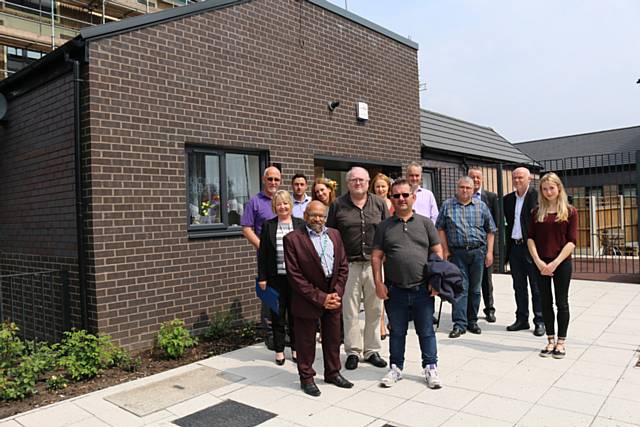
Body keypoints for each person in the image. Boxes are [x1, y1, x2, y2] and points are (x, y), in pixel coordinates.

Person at [372, 178, 444, 389]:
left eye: (405, 195)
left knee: (426, 331)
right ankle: (396, 368)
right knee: (397, 331)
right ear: (391, 199)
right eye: (397, 196)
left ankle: (430, 367)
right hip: (395, 289)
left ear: (413, 197)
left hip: (422, 287)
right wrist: (378, 282)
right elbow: (376, 256)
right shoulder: (384, 226)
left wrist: (436, 280)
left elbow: (437, 251)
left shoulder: (425, 223)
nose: (401, 199)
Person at [284, 201, 353, 396]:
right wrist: (321, 297)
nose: (318, 219)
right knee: (305, 342)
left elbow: (343, 266)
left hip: (333, 294)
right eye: (313, 215)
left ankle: (333, 373)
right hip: (307, 297)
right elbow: (294, 276)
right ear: (305, 215)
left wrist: (337, 292)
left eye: (322, 215)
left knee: (332, 339)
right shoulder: (293, 239)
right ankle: (306, 377)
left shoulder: (335, 234)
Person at [327, 166, 389, 370]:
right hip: (349, 265)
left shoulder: (379, 204)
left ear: (368, 181)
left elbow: (388, 232)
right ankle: (353, 351)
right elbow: (331, 235)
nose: (358, 183)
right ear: (348, 183)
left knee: (374, 308)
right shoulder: (338, 205)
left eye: (361, 180)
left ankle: (372, 349)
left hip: (375, 265)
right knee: (350, 310)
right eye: (354, 180)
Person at [436, 176, 496, 338]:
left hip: (478, 252)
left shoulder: (481, 206)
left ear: (473, 189)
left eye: (468, 188)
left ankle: (472, 321)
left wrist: (489, 252)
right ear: (457, 188)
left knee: (475, 289)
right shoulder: (448, 205)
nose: (465, 190)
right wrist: (445, 249)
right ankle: (459, 324)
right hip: (457, 253)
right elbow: (440, 228)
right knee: (460, 288)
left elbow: (491, 230)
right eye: (462, 187)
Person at [527, 173, 577, 359]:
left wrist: (555, 263)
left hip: (561, 263)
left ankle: (561, 342)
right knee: (545, 302)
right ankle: (549, 340)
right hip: (540, 264)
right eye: (545, 189)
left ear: (559, 188)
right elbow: (530, 238)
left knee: (561, 303)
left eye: (551, 188)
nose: (548, 192)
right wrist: (539, 262)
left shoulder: (570, 212)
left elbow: (572, 241)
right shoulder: (536, 212)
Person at [258, 190, 304, 365]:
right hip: (275, 277)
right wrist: (262, 277)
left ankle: (295, 348)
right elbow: (262, 254)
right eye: (279, 204)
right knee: (277, 315)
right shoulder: (268, 225)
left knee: (295, 315)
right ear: (274, 207)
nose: (282, 207)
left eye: (285, 203)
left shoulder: (300, 225)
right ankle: (279, 350)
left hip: (296, 278)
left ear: (290, 205)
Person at [241, 166, 281, 346]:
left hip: (285, 256)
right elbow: (247, 228)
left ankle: (283, 330)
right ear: (264, 180)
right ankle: (270, 333)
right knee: (269, 293)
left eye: (276, 179)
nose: (273, 182)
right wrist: (262, 247)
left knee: (285, 291)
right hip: (267, 258)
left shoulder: (283, 200)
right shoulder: (254, 202)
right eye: (270, 179)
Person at [504, 167, 545, 337]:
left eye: (520, 177)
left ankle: (540, 321)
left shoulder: (537, 197)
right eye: (514, 177)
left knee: (536, 287)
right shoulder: (507, 200)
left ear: (529, 179)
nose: (517, 180)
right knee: (518, 286)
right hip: (515, 247)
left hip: (532, 248)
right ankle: (521, 319)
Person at [468, 168, 499, 323]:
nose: (475, 180)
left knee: (486, 281)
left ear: (482, 179)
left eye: (478, 177)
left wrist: (491, 250)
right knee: (469, 282)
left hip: (485, 246)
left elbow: (496, 224)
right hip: (468, 247)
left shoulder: (492, 197)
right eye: (472, 177)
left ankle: (489, 309)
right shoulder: (461, 196)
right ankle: (469, 312)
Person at [370, 172, 393, 340]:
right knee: (378, 286)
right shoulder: (372, 204)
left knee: (391, 287)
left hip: (392, 251)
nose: (380, 189)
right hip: (377, 250)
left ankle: (392, 319)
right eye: (377, 186)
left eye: (383, 186)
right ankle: (381, 323)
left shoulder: (395, 203)